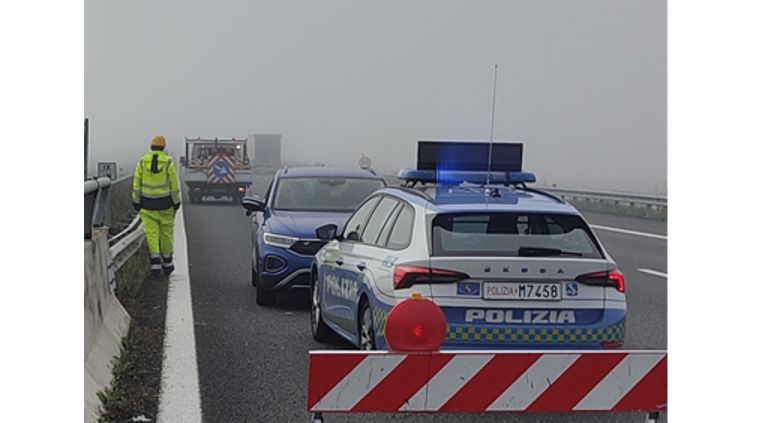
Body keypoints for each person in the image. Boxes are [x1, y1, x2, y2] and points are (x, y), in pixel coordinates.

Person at [132, 134, 181, 277]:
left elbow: (136, 184)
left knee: (151, 234)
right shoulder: (168, 163)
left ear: (151, 147)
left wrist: (136, 201)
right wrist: (176, 202)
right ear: (164, 147)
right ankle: (168, 263)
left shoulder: (142, 162)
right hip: (166, 205)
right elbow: (174, 185)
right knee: (166, 233)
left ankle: (155, 264)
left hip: (147, 205)